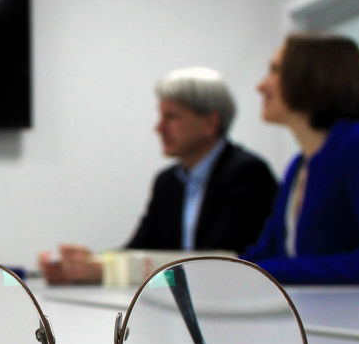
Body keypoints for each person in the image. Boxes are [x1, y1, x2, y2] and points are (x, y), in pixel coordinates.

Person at [40, 67, 277, 284]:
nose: (159, 128)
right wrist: (89, 263)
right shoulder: (168, 182)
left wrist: (107, 270)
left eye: (171, 116)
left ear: (210, 122)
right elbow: (139, 249)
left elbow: (216, 263)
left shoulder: (248, 173)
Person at [242, 32, 359, 285]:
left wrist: (267, 272)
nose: (261, 85)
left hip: (357, 321)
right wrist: (217, 271)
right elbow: (266, 254)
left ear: (313, 77)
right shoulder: (298, 166)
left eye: (275, 70)